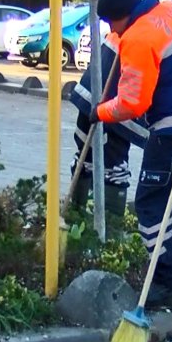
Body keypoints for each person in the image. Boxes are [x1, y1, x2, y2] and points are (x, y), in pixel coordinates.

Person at [86, 0, 172, 308]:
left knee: (151, 205)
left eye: (109, 24)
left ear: (116, 19)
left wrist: (99, 112)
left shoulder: (137, 38)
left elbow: (132, 103)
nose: (110, 32)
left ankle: (166, 282)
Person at [67, 30, 148, 218]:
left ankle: (79, 218)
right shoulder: (152, 30)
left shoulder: (137, 23)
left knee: (86, 156)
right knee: (113, 163)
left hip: (93, 93)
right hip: (113, 101)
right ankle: (107, 228)